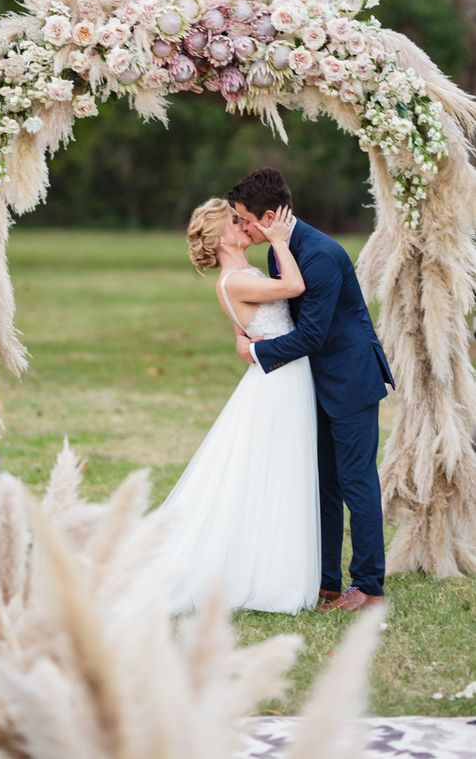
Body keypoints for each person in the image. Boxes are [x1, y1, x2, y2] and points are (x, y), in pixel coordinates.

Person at [229, 168, 395, 613]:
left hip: (350, 379)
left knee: (356, 482)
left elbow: (313, 335)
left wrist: (257, 355)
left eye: (244, 220)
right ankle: (325, 581)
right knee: (322, 483)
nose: (241, 228)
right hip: (313, 383)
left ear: (267, 217)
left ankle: (369, 587)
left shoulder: (319, 253)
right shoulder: (278, 254)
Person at [157, 197, 320, 615]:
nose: (245, 225)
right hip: (279, 380)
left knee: (274, 471)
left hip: (281, 373)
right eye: (236, 221)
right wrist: (281, 241)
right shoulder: (235, 279)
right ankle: (269, 577)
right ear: (222, 234)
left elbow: (243, 332)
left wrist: (243, 343)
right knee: (275, 470)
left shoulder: (241, 275)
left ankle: (270, 565)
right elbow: (294, 288)